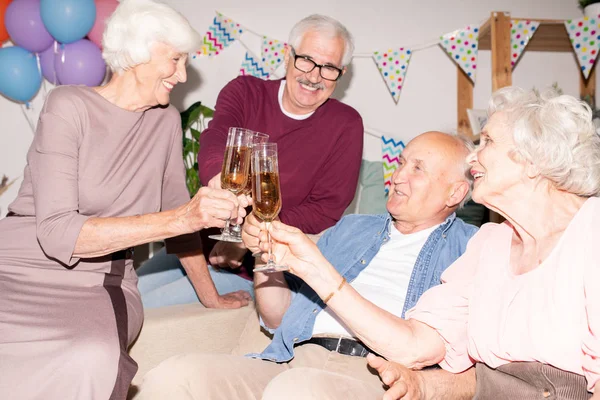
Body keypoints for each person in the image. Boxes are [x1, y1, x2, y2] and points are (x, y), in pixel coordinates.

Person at [247, 87, 600, 400]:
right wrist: (424, 386)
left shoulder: (592, 230)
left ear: (533, 160)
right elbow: (417, 346)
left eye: (487, 142)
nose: (473, 158)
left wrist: (315, 266)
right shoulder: (490, 244)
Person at [0, 1, 251, 399]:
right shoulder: (69, 105)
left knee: (93, 355)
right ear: (137, 51)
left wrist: (211, 296)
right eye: (175, 60)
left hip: (97, 279)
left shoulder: (165, 121)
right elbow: (58, 233)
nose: (183, 75)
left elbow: (177, 215)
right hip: (14, 264)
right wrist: (182, 218)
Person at [135, 131, 478, 399]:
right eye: (401, 162)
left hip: (373, 376)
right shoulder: (350, 228)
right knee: (176, 378)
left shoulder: (472, 249)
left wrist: (311, 264)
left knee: (295, 391)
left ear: (454, 193)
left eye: (417, 168)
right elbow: (275, 317)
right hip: (292, 359)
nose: (398, 176)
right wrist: (264, 255)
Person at [137, 13, 364, 308]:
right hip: (195, 246)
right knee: (124, 293)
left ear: (341, 73)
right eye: (306, 60)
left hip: (264, 269)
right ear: (288, 55)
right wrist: (220, 180)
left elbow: (325, 210)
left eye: (329, 67)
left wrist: (247, 237)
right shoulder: (245, 92)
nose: (314, 75)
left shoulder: (345, 125)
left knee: (146, 309)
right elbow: (215, 140)